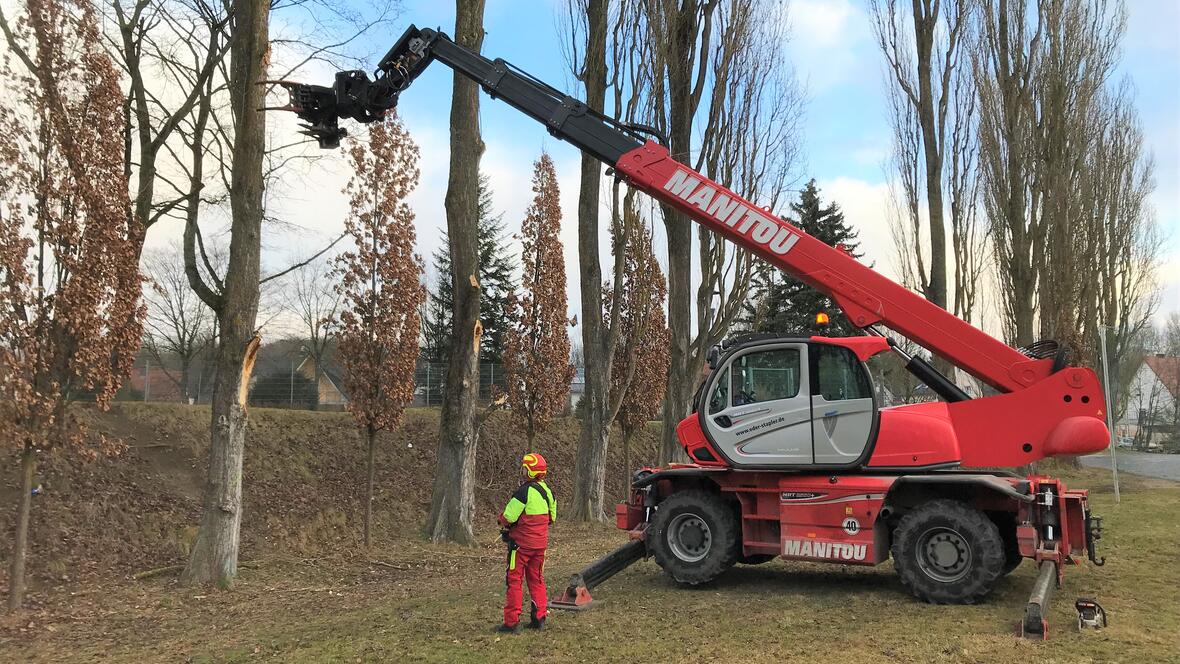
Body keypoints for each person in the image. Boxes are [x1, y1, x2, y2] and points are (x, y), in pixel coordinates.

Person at [496, 452, 556, 633]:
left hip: (520, 546)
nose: (522, 471)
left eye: (524, 468)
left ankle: (511, 622)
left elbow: (508, 517)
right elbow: (552, 517)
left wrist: (502, 521)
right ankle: (539, 618)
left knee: (514, 580)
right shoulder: (548, 492)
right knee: (536, 580)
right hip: (540, 546)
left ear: (529, 472)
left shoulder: (523, 492)